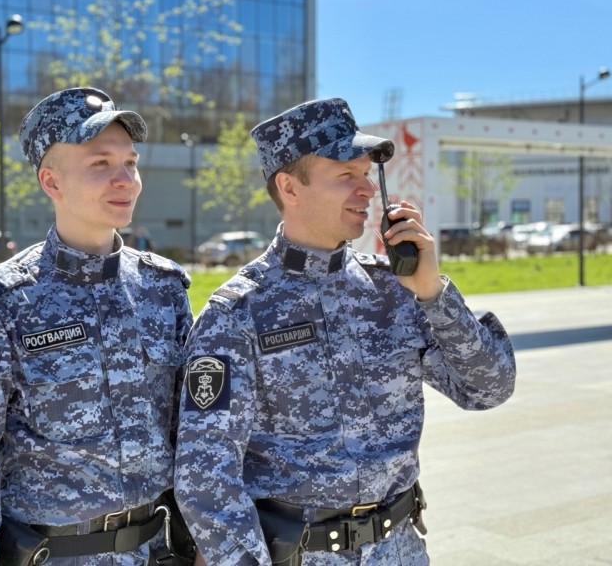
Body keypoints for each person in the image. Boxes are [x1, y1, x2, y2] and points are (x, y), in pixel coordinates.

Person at [173, 97, 516, 565]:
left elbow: (488, 389)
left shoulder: (396, 290)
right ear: (289, 187)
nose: (368, 190)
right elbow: (205, 477)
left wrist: (434, 294)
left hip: (400, 551)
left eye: (367, 174)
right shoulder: (238, 314)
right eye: (345, 175)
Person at [0, 87, 196, 565]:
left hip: (158, 552)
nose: (125, 180)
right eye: (100, 164)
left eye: (130, 163)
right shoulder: (2, 300)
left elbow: (192, 435)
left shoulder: (163, 288)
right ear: (51, 181)